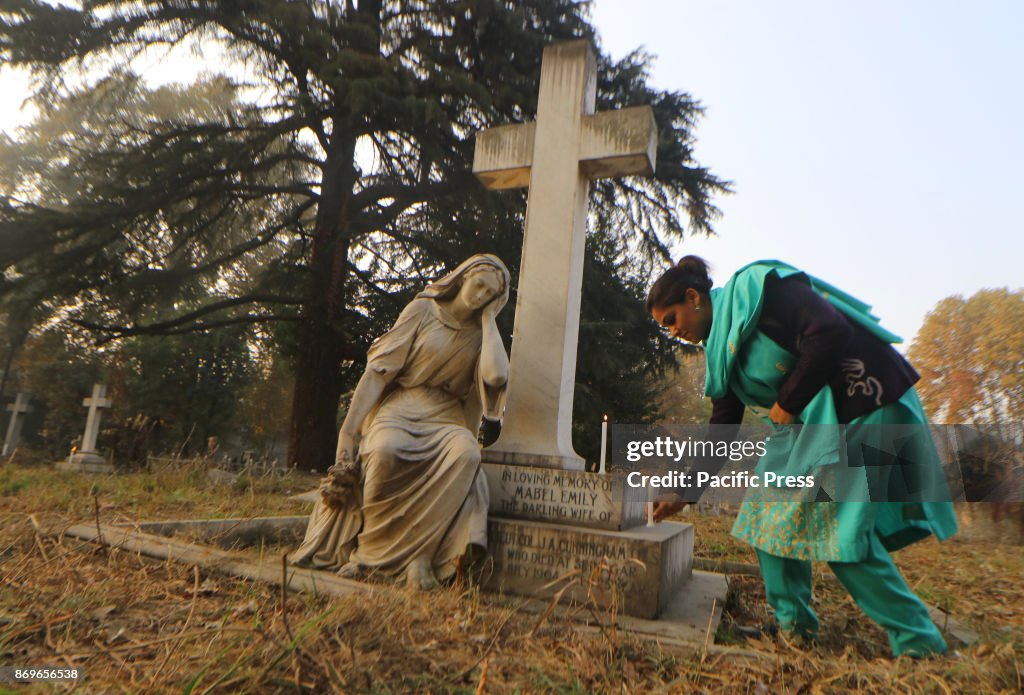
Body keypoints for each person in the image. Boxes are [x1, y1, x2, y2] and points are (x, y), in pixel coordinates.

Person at [647, 256, 958, 658]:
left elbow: (829, 330)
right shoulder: (721, 355)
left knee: (839, 532)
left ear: (694, 297)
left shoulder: (760, 291)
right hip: (818, 426)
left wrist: (788, 400)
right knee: (766, 510)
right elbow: (722, 427)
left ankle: (922, 645)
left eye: (671, 319)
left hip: (865, 402)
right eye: (665, 328)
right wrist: (687, 492)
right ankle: (794, 627)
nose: (674, 332)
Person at [290, 254, 510, 590]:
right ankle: (368, 555)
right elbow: (379, 372)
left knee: (465, 454)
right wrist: (349, 431)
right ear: (462, 277)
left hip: (445, 417)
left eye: (490, 293)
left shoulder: (483, 333)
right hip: (403, 407)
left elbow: (496, 376)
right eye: (478, 284)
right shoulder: (422, 310)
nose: (481, 295)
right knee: (385, 450)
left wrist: (488, 320)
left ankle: (420, 558)